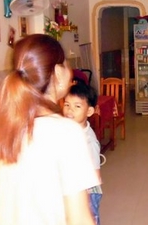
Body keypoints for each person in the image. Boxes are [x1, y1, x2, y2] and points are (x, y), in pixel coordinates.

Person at [0, 34, 97, 225]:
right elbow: (79, 219)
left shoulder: (8, 129)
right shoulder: (66, 132)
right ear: (57, 72)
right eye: (67, 64)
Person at [63, 82, 103, 225]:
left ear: (90, 111)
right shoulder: (69, 130)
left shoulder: (88, 141)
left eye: (77, 106)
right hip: (73, 189)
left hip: (88, 192)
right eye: (67, 104)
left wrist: (84, 199)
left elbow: (95, 175)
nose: (69, 110)